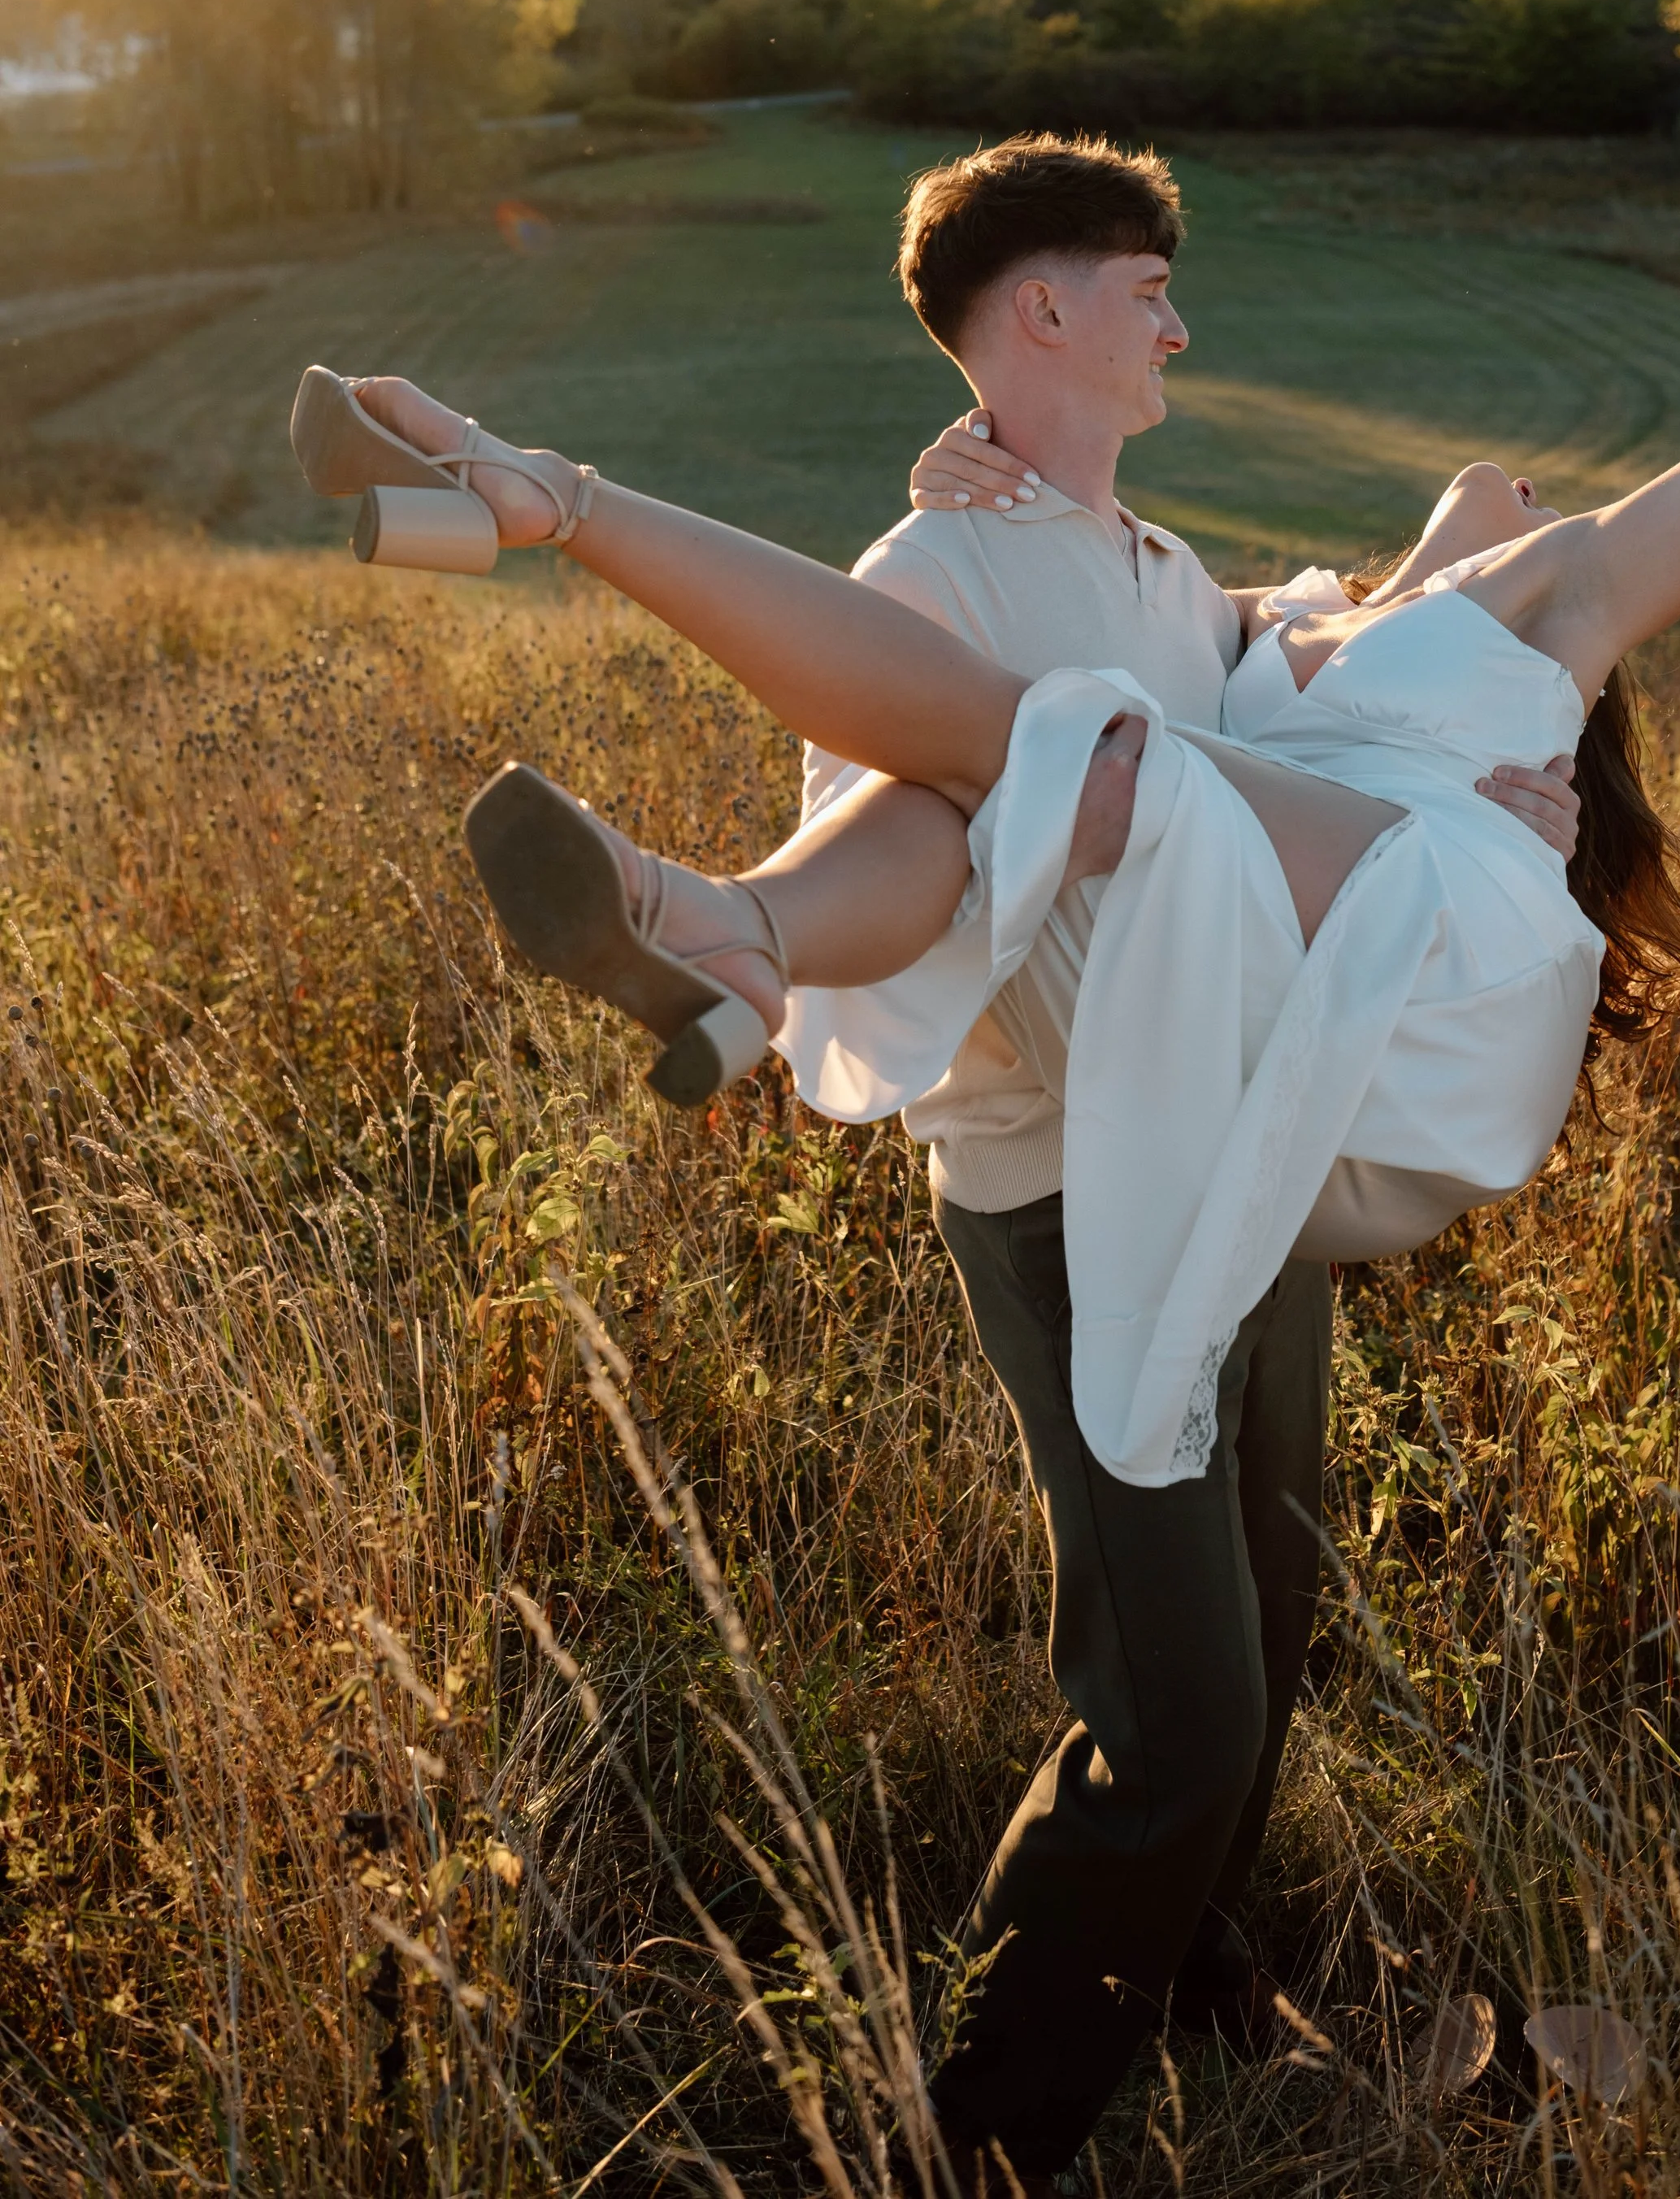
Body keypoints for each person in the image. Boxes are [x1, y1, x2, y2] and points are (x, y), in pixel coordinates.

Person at [289, 135, 1587, 2183]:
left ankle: (1188, 1987)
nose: (1177, 316)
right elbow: (914, 843)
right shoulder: (937, 571)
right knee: (1173, 1714)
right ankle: (973, 2136)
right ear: (1036, 311)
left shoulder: (1162, 573)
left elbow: (1318, 696)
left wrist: (1478, 792)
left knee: (1276, 1606)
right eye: (1142, 281)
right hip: (1075, 1190)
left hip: (1238, 1157)